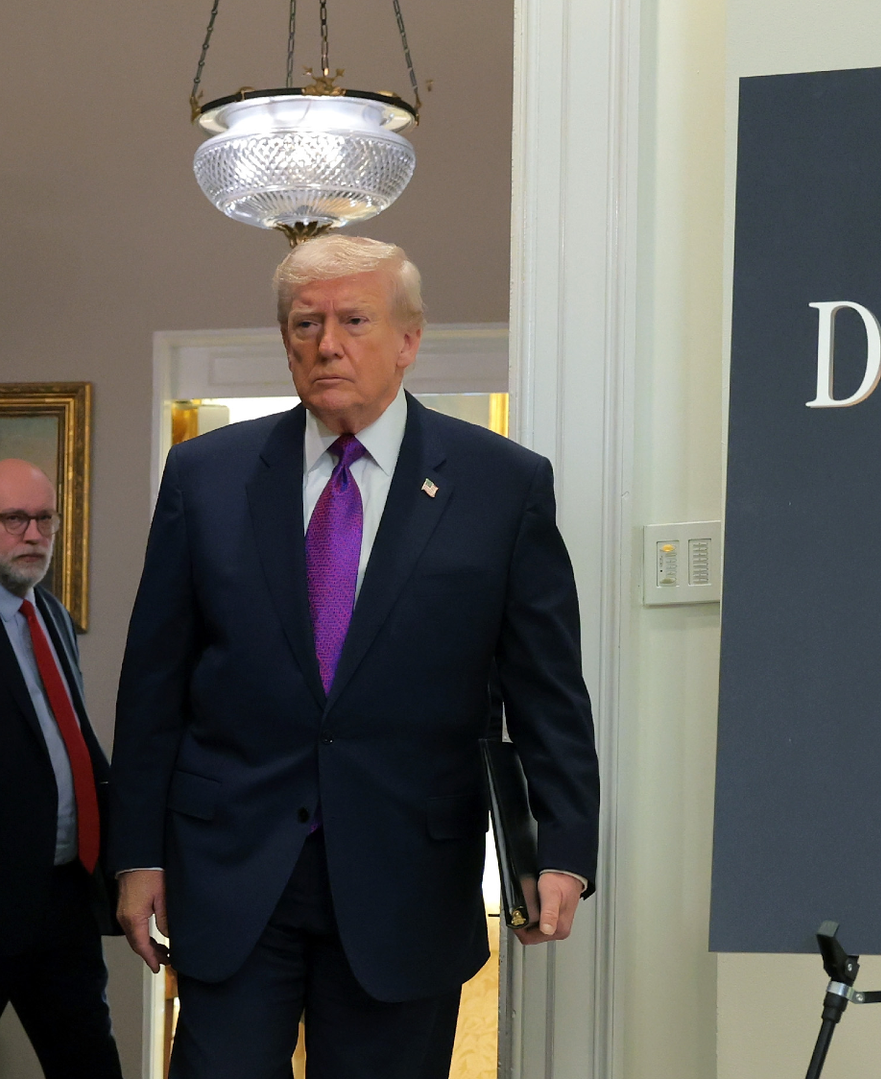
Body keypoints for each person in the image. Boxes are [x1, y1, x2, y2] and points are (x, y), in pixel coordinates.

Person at [110, 235, 600, 1079]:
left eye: (352, 320)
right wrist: (137, 853)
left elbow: (547, 688)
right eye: (304, 323)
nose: (325, 343)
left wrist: (559, 851)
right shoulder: (206, 475)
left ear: (408, 339)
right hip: (233, 868)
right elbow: (154, 682)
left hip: (407, 875)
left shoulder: (500, 484)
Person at [0, 459, 124, 1079]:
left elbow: (75, 743)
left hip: (65, 894)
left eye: (44, 519)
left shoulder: (48, 612)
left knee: (90, 1065)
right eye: (14, 519)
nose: (33, 534)